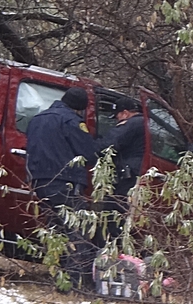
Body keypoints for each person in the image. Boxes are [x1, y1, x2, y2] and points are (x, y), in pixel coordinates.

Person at [25, 86, 99, 289]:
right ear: (79, 108)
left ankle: (57, 277)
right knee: (78, 232)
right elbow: (88, 154)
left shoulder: (38, 119)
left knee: (56, 230)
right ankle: (74, 285)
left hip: (40, 183)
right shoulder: (72, 122)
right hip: (64, 183)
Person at [98, 96, 147, 240]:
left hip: (127, 177)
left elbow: (107, 146)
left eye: (117, 116)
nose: (117, 120)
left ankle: (111, 248)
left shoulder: (132, 124)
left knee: (113, 213)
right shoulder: (145, 123)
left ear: (125, 113)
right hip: (135, 174)